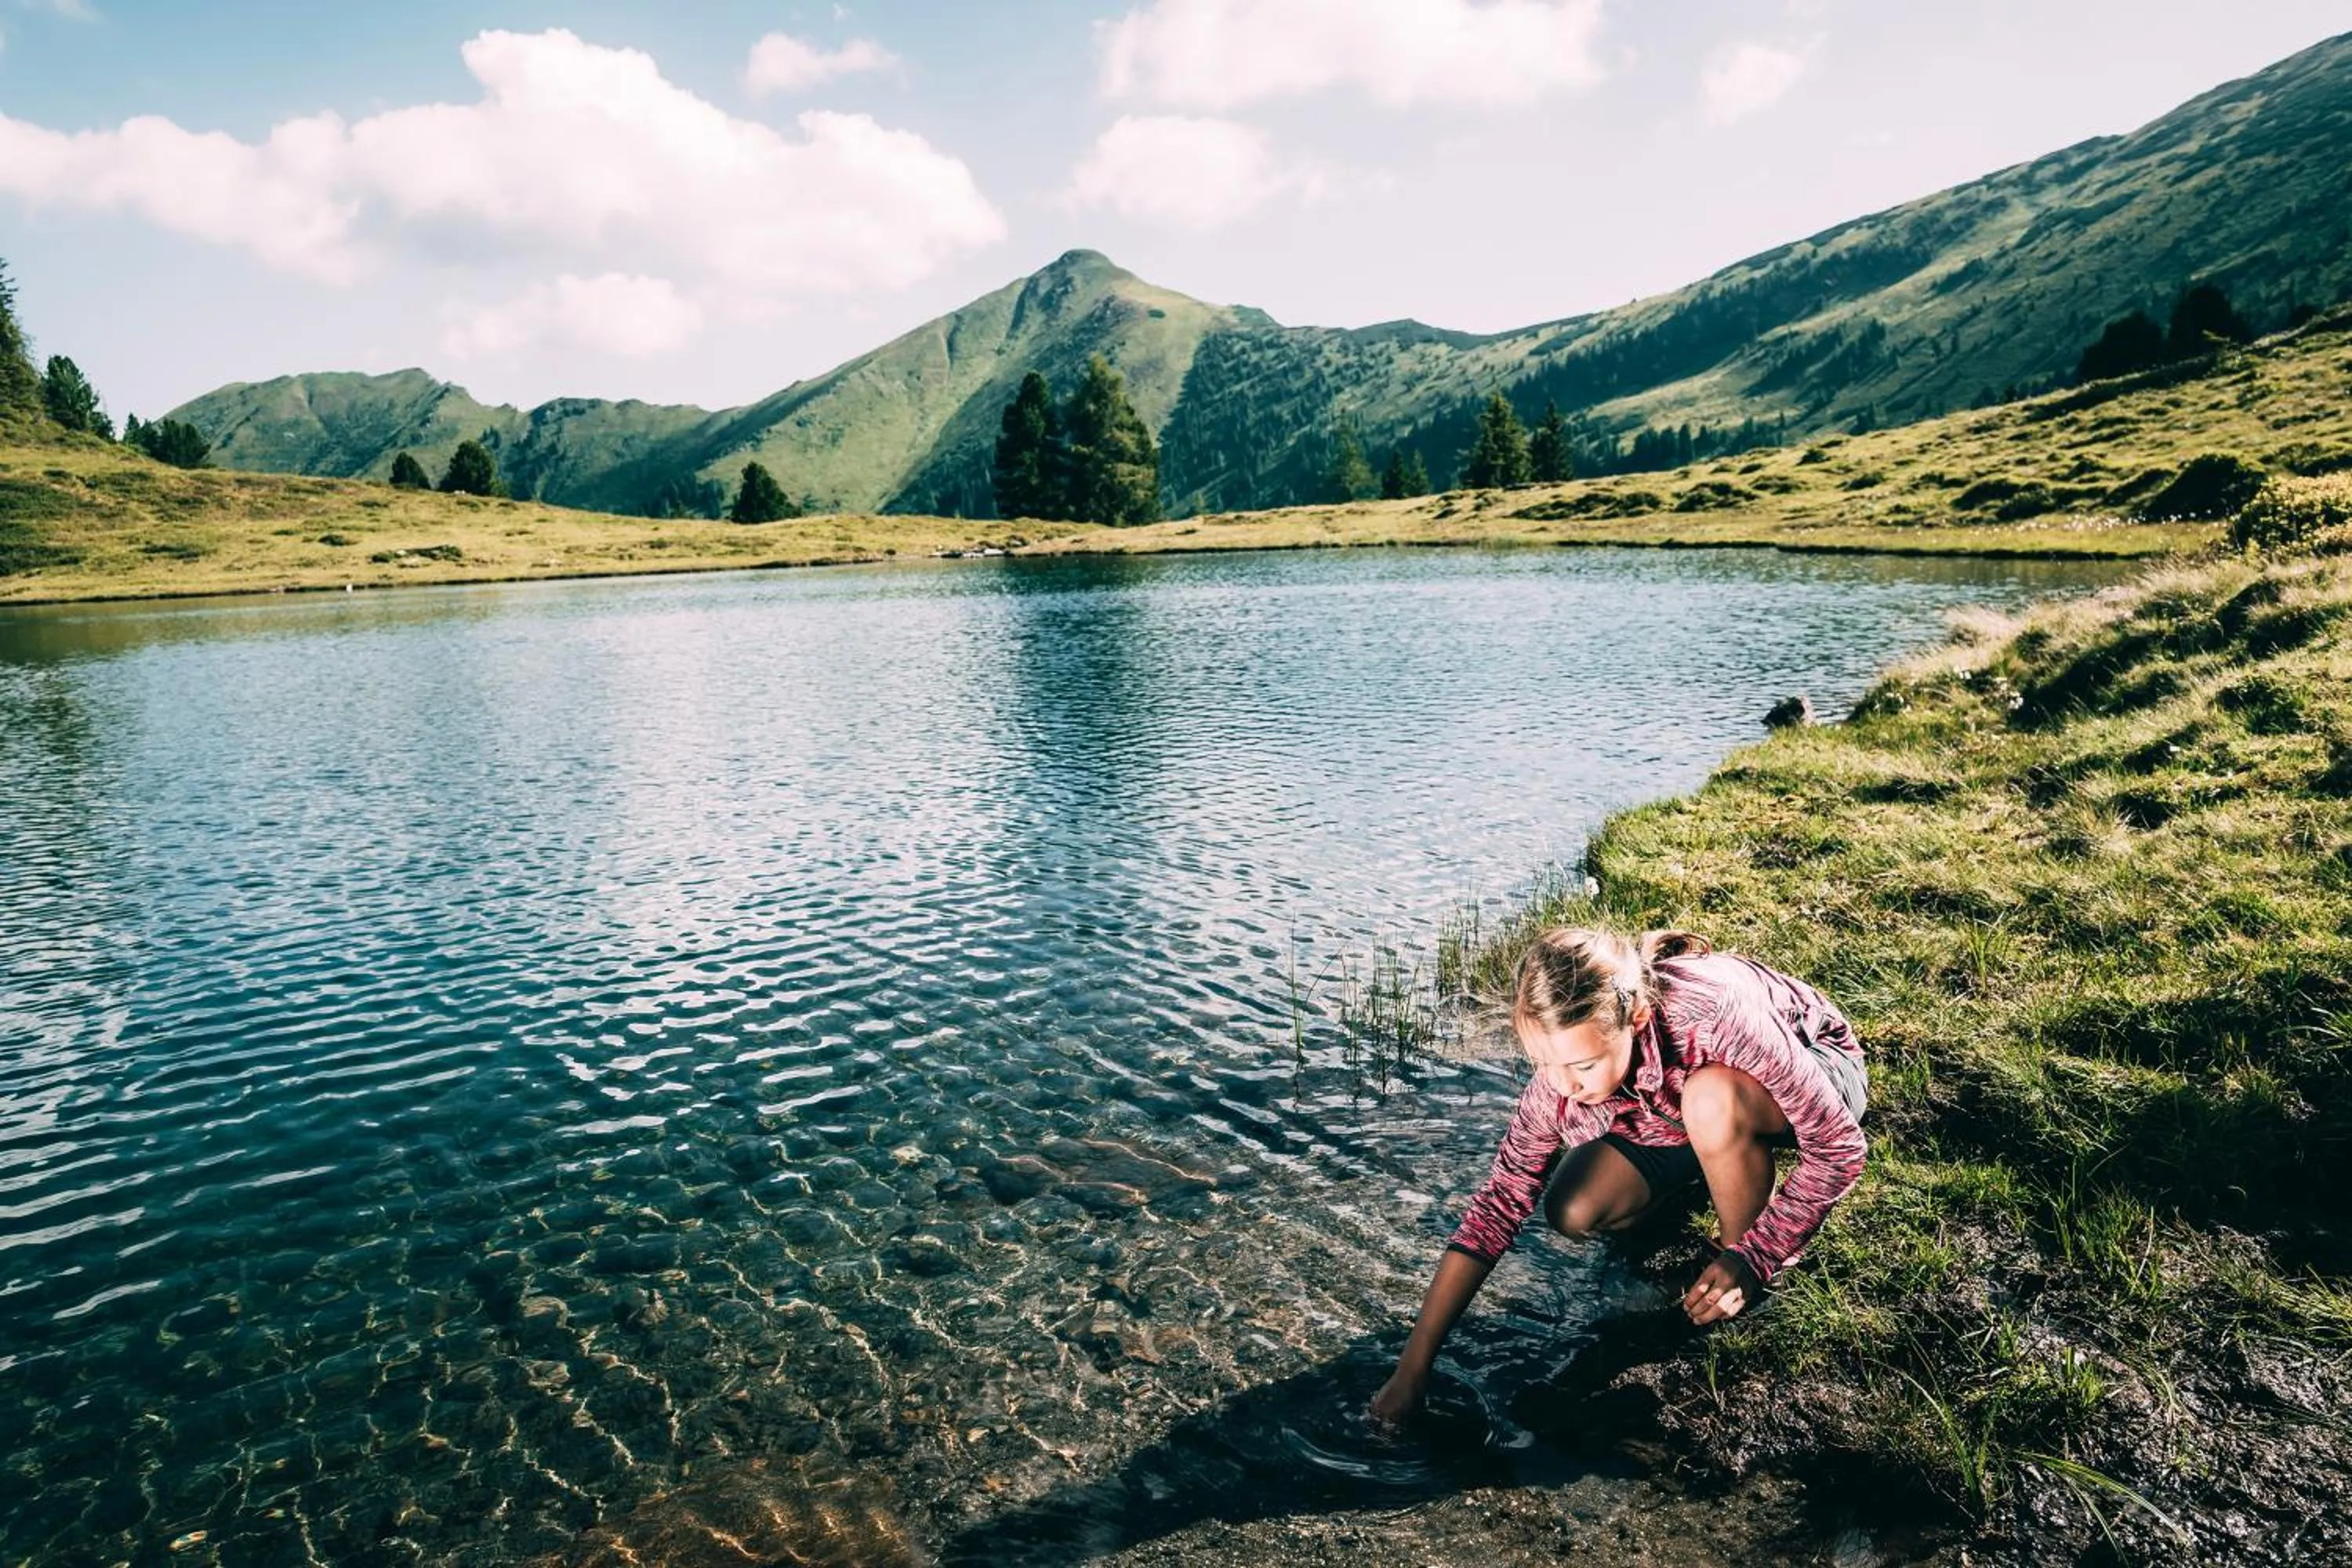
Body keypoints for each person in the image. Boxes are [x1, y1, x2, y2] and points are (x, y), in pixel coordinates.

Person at [1369, 927, 1867, 1425]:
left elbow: (1838, 1147)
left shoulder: (1714, 1015)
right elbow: (1497, 1208)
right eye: (1543, 1063)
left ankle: (1739, 1272)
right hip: (1675, 1107)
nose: (1565, 1085)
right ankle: (1717, 1165)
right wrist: (1412, 1370)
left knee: (1710, 1099)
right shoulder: (1559, 1084)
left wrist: (1755, 1256)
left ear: (1638, 1019)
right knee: (1573, 1208)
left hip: (1814, 1066)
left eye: (1583, 1065)